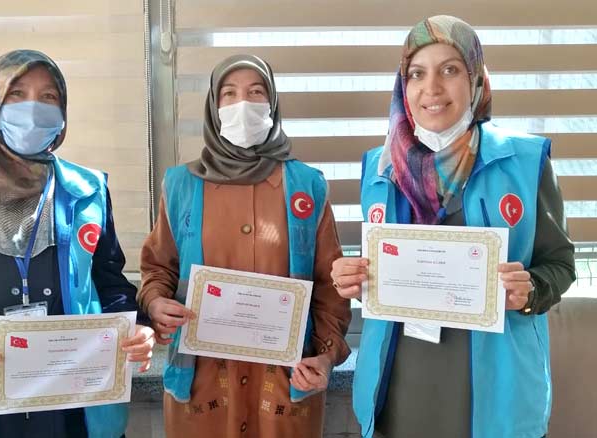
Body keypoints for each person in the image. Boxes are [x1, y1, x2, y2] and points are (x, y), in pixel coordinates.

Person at [330, 15, 576, 438]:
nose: (432, 88)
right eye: (417, 73)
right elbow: (381, 260)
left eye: (449, 70)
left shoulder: (525, 162)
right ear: (403, 85)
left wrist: (532, 290)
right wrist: (350, 276)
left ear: (475, 78)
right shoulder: (379, 167)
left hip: (494, 386)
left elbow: (561, 264)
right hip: (401, 380)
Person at [0, 49, 154, 438]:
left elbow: (108, 282)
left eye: (48, 97)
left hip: (75, 402)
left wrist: (135, 326)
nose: (34, 109)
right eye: (16, 94)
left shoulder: (87, 191)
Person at [139, 54, 352, 438]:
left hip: (284, 386)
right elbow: (159, 267)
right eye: (229, 94)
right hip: (203, 385)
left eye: (256, 93)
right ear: (214, 106)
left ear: (272, 104)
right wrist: (155, 303)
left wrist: (325, 356)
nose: (243, 105)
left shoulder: (307, 185)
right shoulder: (180, 185)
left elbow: (330, 286)